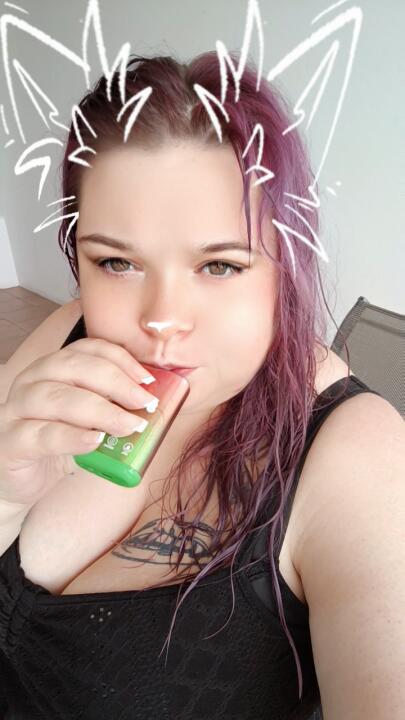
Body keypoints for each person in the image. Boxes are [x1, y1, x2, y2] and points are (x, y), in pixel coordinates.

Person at [0, 51, 403, 720]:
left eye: (218, 266)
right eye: (117, 261)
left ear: (286, 265)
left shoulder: (358, 456)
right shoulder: (71, 333)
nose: (161, 322)